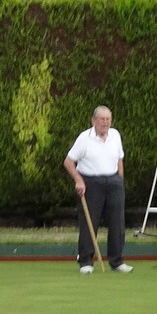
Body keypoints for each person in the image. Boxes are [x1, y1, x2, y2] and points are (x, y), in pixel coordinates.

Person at [63, 105, 128, 274]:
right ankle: (85, 261)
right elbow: (68, 162)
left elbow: (120, 159)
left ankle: (117, 261)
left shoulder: (115, 135)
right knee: (89, 221)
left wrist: (119, 180)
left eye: (108, 119)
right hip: (91, 182)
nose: (105, 123)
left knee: (117, 222)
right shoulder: (84, 138)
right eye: (102, 119)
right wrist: (78, 180)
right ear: (94, 121)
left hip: (113, 181)